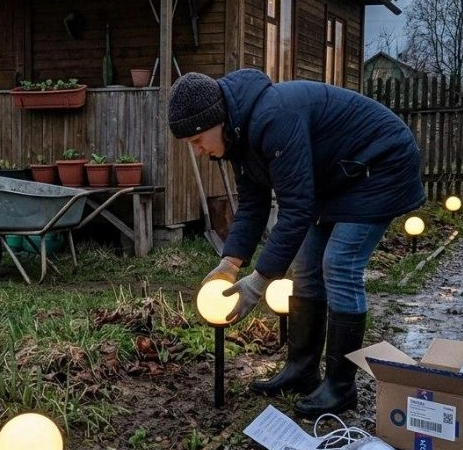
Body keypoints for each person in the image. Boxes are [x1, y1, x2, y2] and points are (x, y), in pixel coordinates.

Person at [168, 69, 425, 417]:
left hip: (380, 165)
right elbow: (253, 205)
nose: (198, 151)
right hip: (338, 176)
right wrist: (229, 264)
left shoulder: (274, 118)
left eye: (198, 140)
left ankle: (340, 387)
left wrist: (258, 283)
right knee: (306, 266)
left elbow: (296, 209)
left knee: (339, 264)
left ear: (217, 119)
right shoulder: (238, 136)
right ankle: (302, 370)